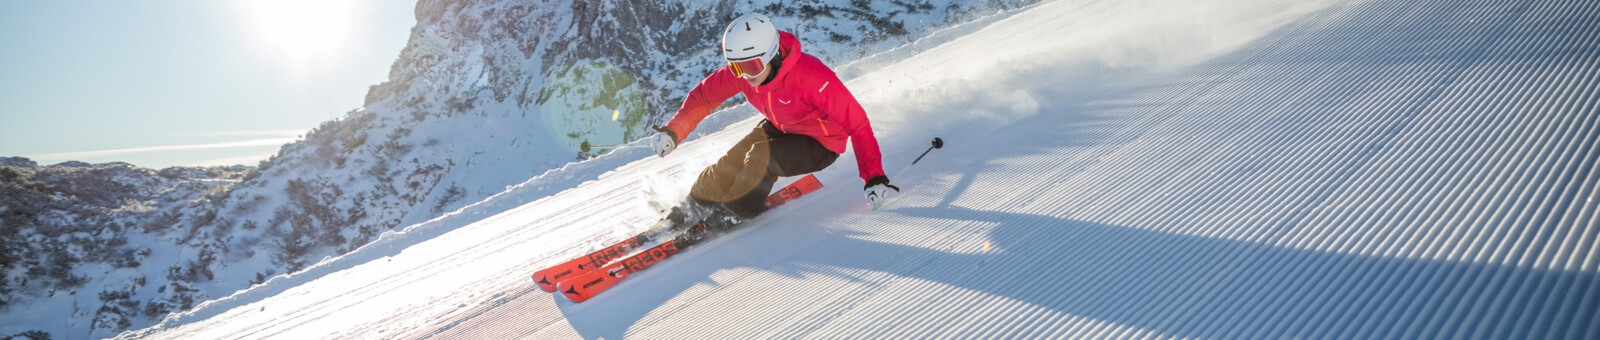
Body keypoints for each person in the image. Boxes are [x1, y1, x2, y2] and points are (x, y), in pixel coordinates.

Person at [650, 13, 897, 230]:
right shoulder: (745, 73)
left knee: (761, 157)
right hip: (783, 127)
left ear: (772, 55)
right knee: (735, 158)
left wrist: (873, 176)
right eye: (736, 68)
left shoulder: (812, 76)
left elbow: (858, 124)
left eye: (752, 67)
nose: (746, 75)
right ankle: (695, 203)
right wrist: (673, 131)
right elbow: (704, 97)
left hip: (822, 143)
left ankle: (736, 211)